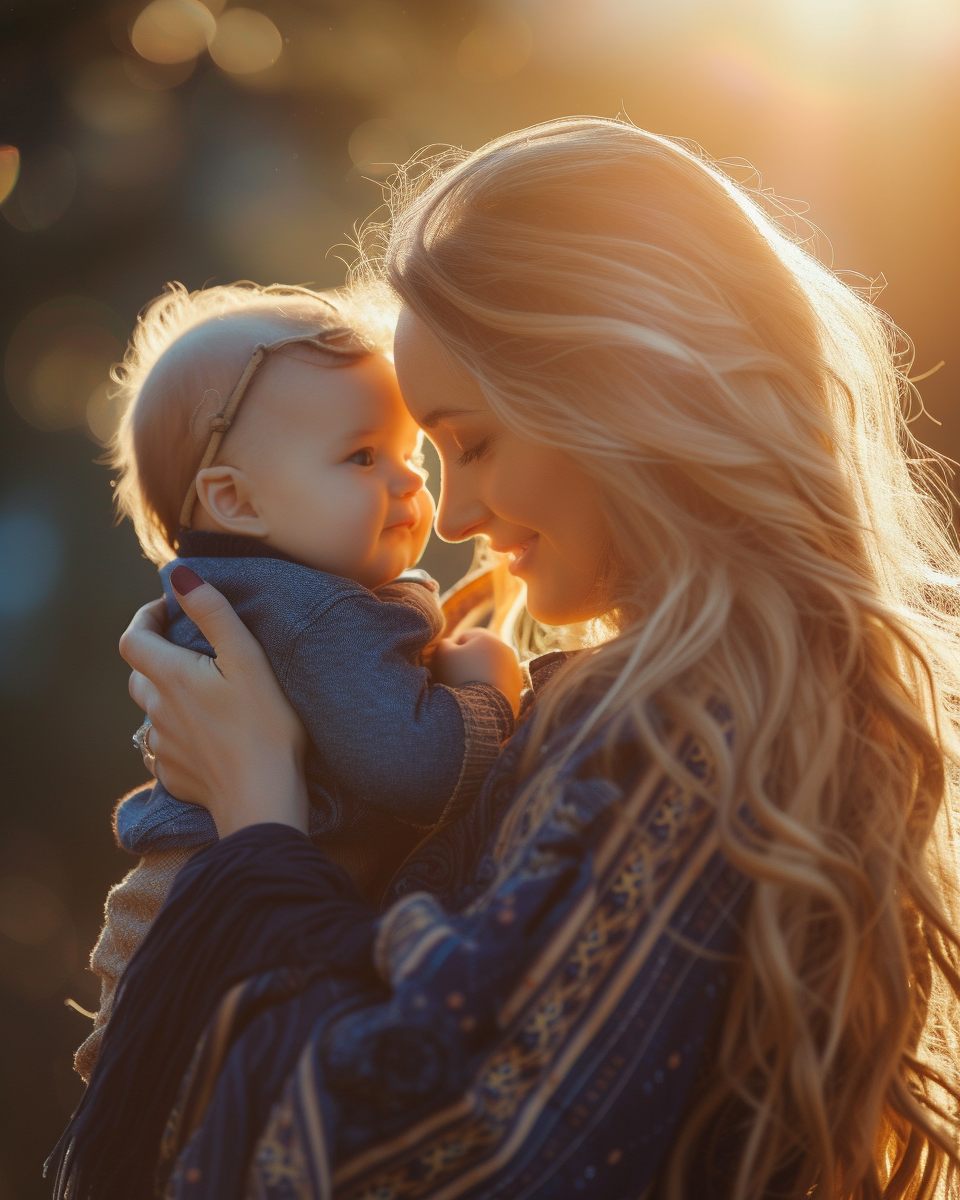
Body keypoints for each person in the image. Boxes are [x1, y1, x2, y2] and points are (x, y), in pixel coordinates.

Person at [52, 118, 960, 1199]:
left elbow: (403, 1148)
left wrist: (259, 811)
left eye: (469, 442)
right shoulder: (721, 709)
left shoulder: (677, 734)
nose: (456, 509)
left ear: (625, 394)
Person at [73, 281, 521, 1081]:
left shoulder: (260, 596)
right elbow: (409, 766)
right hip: (207, 925)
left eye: (407, 453)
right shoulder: (317, 614)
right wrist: (490, 697)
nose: (412, 484)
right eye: (361, 456)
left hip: (176, 911)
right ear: (235, 501)